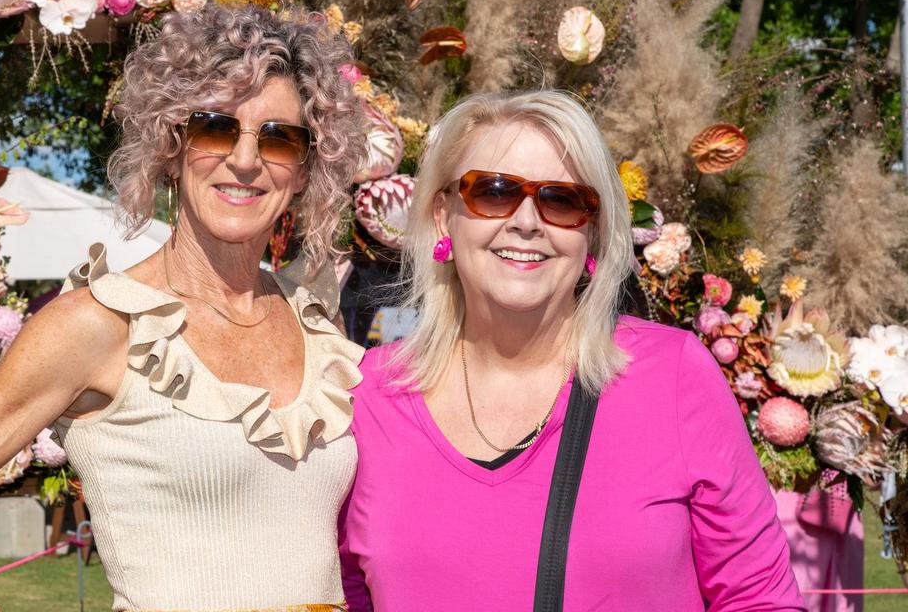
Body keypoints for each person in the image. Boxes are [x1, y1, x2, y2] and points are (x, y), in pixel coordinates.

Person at [0, 3, 367, 611]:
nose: (244, 160)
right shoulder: (100, 323)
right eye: (214, 128)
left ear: (306, 164)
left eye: (279, 138)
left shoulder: (316, 323)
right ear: (171, 144)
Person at [338, 91, 804, 609]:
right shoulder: (368, 396)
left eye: (562, 201)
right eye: (494, 192)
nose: (527, 221)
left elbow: (759, 598)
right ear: (444, 215)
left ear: (592, 233)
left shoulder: (672, 376)